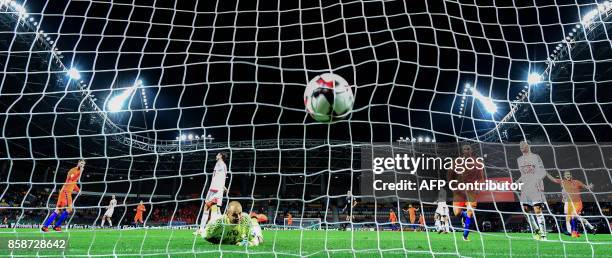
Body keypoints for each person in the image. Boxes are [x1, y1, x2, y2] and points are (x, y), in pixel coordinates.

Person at [448, 144, 484, 241]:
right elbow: (450, 175)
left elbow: (481, 178)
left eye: (468, 149)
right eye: (464, 149)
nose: (466, 150)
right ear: (462, 151)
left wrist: (477, 186)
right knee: (457, 213)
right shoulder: (457, 162)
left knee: (470, 212)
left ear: (471, 150)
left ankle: (465, 235)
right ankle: (466, 217)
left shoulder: (477, 163)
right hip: (459, 192)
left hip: (471, 191)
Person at [546, 171, 595, 237]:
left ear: (571, 175)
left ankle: (573, 231)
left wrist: (590, 186)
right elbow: (553, 179)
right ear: (564, 176)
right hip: (567, 203)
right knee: (572, 217)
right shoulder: (563, 182)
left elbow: (586, 187)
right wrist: (545, 173)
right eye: (566, 175)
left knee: (573, 216)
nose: (567, 175)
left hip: (576, 202)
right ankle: (590, 228)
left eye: (569, 174)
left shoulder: (577, 182)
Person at [41, 160, 85, 232]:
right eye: (81, 163)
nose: (82, 165)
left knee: (58, 210)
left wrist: (78, 190)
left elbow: (73, 183)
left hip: (67, 192)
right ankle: (56, 226)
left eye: (83, 164)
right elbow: (70, 180)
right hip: (65, 192)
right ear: (78, 163)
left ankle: (46, 226)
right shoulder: (73, 170)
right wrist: (80, 172)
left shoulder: (78, 172)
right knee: (69, 209)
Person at [516, 141, 548, 240]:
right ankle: (536, 230)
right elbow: (523, 174)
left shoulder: (536, 157)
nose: (521, 146)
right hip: (525, 188)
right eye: (520, 144)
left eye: (523, 144)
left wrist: (538, 179)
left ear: (529, 145)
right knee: (526, 211)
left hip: (535, 186)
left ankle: (543, 235)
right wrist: (518, 181)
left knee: (537, 210)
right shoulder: (519, 160)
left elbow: (543, 171)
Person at [195, 152, 229, 237]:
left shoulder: (220, 164)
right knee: (209, 207)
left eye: (217, 154)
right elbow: (221, 176)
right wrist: (223, 186)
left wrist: (220, 187)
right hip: (214, 188)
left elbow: (220, 177)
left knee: (213, 208)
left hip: (215, 189)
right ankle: (203, 229)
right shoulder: (221, 164)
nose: (216, 156)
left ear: (220, 156)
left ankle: (212, 229)